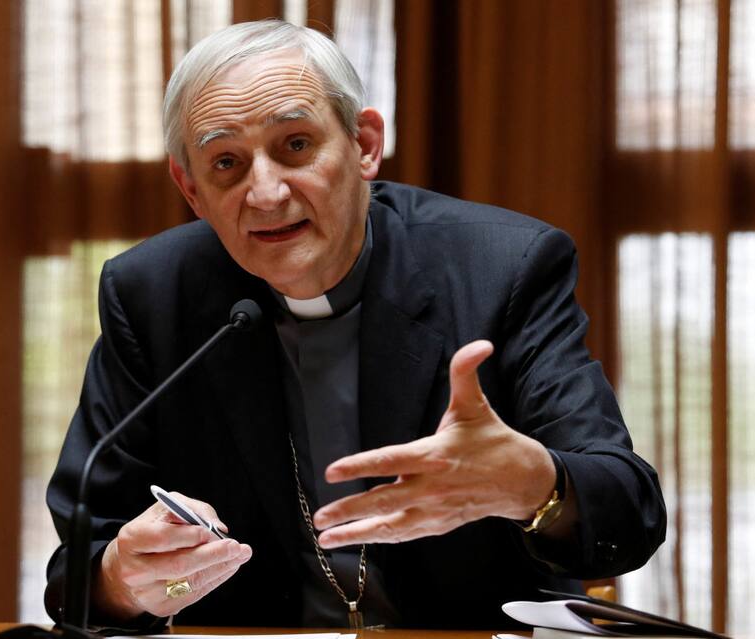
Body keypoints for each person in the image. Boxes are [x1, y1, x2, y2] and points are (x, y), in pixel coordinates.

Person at [45, 19, 666, 632]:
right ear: (191, 188)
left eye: (295, 145)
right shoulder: (153, 295)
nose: (265, 193)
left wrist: (531, 483)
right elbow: (78, 568)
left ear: (365, 145)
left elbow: (629, 515)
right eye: (227, 162)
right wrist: (123, 581)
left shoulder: (501, 269)